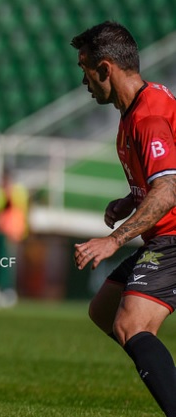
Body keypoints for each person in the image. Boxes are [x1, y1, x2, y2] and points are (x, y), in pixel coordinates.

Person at [71, 21, 176, 417]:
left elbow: (168, 189)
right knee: (104, 309)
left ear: (105, 69)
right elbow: (158, 182)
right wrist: (129, 200)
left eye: (85, 70)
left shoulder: (146, 116)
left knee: (132, 326)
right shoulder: (136, 109)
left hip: (174, 238)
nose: (84, 81)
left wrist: (113, 240)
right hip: (162, 237)